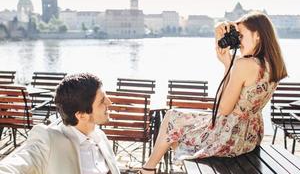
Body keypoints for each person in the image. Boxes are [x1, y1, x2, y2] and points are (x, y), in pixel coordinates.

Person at [138, 11, 288, 174]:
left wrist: (227, 66)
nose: (238, 42)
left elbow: (223, 109)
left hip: (230, 137)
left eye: (241, 36)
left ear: (257, 35)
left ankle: (147, 170)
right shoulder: (272, 65)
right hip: (251, 136)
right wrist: (230, 63)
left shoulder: (244, 64)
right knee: (174, 127)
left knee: (171, 118)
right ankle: (149, 169)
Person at [0, 73, 120, 174]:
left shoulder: (99, 136)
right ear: (81, 115)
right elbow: (15, 165)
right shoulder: (49, 141)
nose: (109, 102)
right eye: (102, 101)